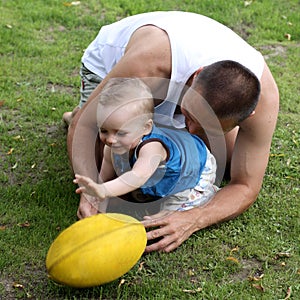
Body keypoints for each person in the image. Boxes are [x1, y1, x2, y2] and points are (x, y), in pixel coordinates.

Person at [66, 11, 279, 253]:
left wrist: (194, 218)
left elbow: (245, 186)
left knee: (225, 162)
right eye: (189, 116)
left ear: (247, 118)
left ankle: (171, 118)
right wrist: (93, 192)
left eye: (207, 126)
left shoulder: (264, 102)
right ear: (197, 75)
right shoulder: (150, 63)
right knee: (109, 150)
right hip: (113, 70)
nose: (192, 130)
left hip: (176, 92)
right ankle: (80, 109)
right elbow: (83, 126)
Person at [73, 78, 219, 213]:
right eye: (103, 130)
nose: (110, 140)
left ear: (146, 128)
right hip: (162, 169)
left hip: (196, 167)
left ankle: (206, 192)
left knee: (171, 212)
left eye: (121, 133)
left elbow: (137, 177)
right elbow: (105, 177)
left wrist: (104, 190)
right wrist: (97, 197)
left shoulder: (152, 148)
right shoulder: (113, 146)